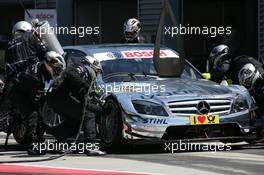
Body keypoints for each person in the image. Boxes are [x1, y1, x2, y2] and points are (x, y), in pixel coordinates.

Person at [4, 21, 47, 154]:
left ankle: (35, 143)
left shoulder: (9, 45)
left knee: (30, 111)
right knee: (36, 110)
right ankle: (35, 144)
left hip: (15, 83)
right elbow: (44, 52)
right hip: (32, 80)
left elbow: (7, 66)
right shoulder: (31, 36)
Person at [47, 59, 106, 156]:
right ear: (92, 67)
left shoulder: (84, 78)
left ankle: (57, 142)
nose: (97, 75)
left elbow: (83, 103)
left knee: (75, 122)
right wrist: (85, 85)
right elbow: (70, 73)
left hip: (57, 99)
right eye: (97, 72)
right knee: (88, 115)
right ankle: (90, 147)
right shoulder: (82, 68)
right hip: (60, 98)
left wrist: (99, 110)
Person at [209, 44, 264, 139]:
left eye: (219, 65)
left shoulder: (242, 64)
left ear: (224, 60)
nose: (219, 69)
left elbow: (249, 86)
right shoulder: (232, 70)